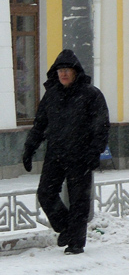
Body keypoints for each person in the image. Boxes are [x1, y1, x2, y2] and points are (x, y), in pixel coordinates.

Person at [21, 50, 110, 254]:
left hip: (81, 156)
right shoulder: (51, 94)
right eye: (60, 70)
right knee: (45, 193)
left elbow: (101, 126)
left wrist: (94, 152)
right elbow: (40, 124)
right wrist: (29, 148)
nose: (63, 74)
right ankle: (66, 228)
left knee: (79, 200)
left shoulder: (91, 94)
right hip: (56, 154)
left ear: (75, 71)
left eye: (67, 70)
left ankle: (76, 243)